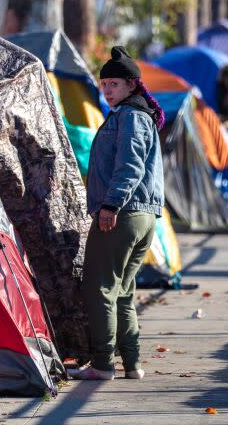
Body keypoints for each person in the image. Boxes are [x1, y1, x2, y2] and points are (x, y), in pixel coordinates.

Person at [69, 46, 165, 381]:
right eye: (104, 84)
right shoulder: (135, 115)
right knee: (123, 291)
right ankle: (132, 364)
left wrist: (110, 205)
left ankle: (102, 364)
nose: (107, 90)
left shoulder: (131, 116)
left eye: (114, 84)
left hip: (123, 214)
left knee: (99, 288)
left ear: (132, 85)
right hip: (142, 217)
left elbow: (130, 165)